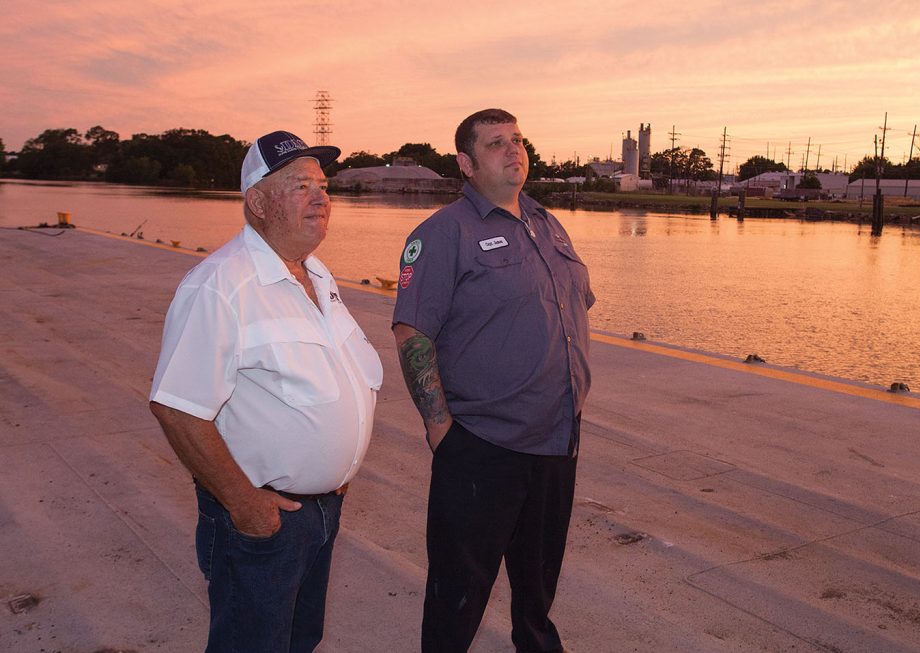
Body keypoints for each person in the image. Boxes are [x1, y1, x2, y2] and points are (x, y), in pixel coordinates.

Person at [149, 130, 382, 653]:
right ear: (257, 201)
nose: (321, 197)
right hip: (263, 520)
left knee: (300, 640)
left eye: (323, 186)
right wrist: (246, 506)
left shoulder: (317, 276)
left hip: (321, 513)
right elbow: (177, 408)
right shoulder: (220, 284)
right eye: (300, 185)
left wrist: (335, 471)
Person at [392, 109, 595, 653]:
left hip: (556, 443)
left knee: (538, 597)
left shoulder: (547, 223)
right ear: (466, 162)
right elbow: (413, 333)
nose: (514, 151)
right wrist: (442, 432)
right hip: (482, 448)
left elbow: (571, 308)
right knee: (456, 603)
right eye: (496, 143)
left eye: (518, 140)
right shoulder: (442, 234)